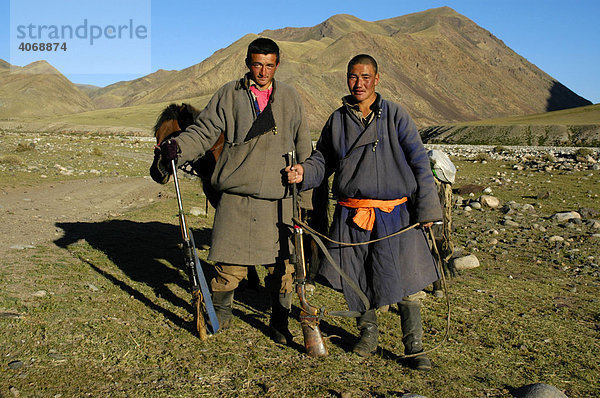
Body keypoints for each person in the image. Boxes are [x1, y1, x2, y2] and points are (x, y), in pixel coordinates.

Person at [286, 54, 442, 370]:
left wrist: (426, 208)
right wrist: (304, 172)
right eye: (353, 77)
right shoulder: (337, 120)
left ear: (377, 78)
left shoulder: (396, 115)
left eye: (365, 77)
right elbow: (322, 160)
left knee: (407, 280)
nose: (359, 84)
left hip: (394, 214)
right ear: (347, 78)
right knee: (356, 277)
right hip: (352, 214)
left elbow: (419, 162)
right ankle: (368, 335)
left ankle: (414, 346)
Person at [156, 38, 313, 345]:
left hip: (278, 197)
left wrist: (304, 199)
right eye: (257, 64)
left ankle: (280, 323)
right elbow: (203, 132)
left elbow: (303, 145)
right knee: (228, 266)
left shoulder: (291, 97)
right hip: (236, 196)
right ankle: (220, 315)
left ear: (277, 65)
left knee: (282, 269)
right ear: (248, 64)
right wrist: (178, 147)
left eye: (269, 65)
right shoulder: (229, 94)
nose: (263, 72)